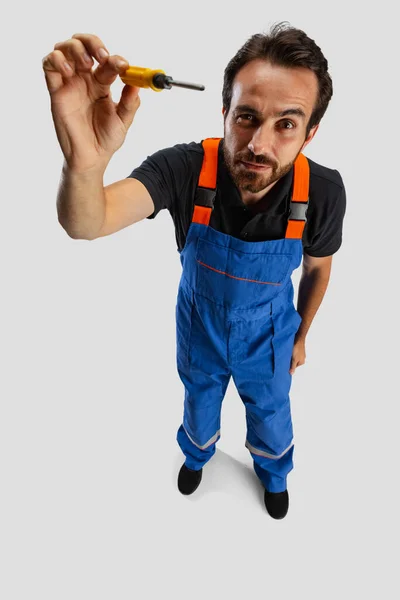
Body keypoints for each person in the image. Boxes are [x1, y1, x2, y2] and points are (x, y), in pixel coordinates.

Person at [43, 22, 346, 519]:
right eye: (246, 116)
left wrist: (301, 336)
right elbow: (87, 222)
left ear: (311, 131)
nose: (259, 145)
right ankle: (196, 455)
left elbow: (318, 271)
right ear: (225, 111)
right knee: (199, 402)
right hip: (199, 328)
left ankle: (272, 474)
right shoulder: (184, 168)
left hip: (270, 339)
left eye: (287, 124)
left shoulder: (324, 193)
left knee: (271, 413)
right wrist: (83, 162)